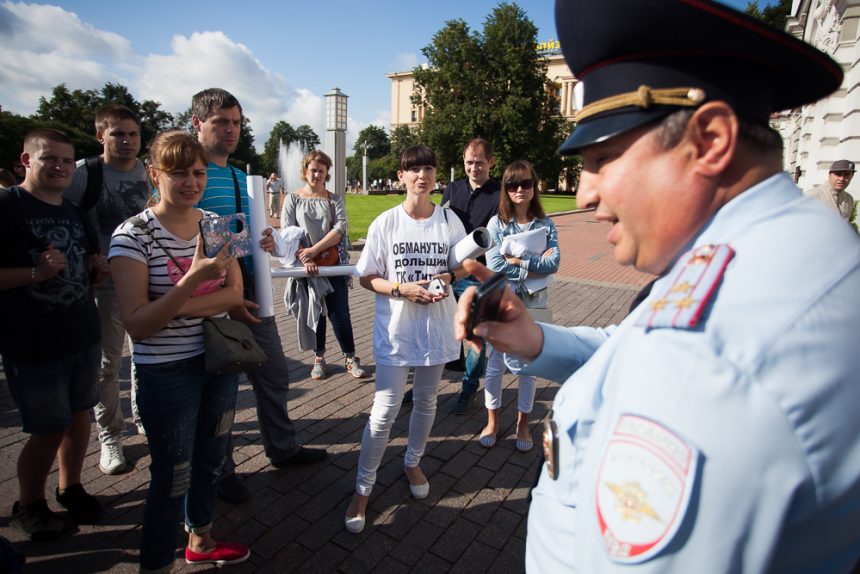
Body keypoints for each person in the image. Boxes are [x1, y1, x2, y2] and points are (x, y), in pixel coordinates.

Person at [454, 0, 860, 571]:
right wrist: (538, 342)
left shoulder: (709, 366)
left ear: (711, 141)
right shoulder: (789, 247)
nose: (587, 194)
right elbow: (636, 345)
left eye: (605, 157)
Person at [109, 130, 250, 570]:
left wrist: (171, 306)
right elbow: (139, 324)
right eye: (178, 172)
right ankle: (155, 564)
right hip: (166, 371)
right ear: (154, 174)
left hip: (218, 360)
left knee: (211, 459)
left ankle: (201, 540)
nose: (191, 181)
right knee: (172, 477)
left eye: (199, 172)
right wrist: (191, 279)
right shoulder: (131, 235)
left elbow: (235, 295)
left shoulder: (217, 223)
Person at [192, 88, 326, 504]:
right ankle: (221, 470)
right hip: (211, 299)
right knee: (223, 388)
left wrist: (265, 237)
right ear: (197, 124)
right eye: (220, 122)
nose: (231, 130)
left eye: (235, 122)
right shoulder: (189, 175)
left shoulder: (237, 176)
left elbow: (243, 233)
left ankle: (282, 449)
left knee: (272, 375)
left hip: (253, 292)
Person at [344, 145, 467, 534]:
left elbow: (460, 265)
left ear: (435, 176)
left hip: (435, 327)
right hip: (397, 331)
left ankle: (413, 461)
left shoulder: (449, 219)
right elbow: (367, 277)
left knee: (427, 401)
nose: (422, 176)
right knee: (384, 412)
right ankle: (363, 488)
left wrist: (445, 279)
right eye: (414, 170)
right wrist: (401, 289)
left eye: (428, 168)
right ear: (401, 176)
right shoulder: (386, 222)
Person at [0, 128, 108, 540]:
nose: (60, 167)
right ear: (26, 161)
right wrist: (35, 273)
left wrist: (96, 272)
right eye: (50, 159)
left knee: (80, 416)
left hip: (81, 332)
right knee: (48, 426)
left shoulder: (74, 210)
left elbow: (84, 268)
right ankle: (29, 504)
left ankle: (70, 486)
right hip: (32, 343)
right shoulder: (7, 206)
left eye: (67, 160)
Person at [64, 103, 151, 475]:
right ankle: (110, 435)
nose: (127, 141)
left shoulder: (149, 172)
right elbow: (60, 216)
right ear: (101, 135)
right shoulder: (84, 174)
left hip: (149, 280)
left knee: (146, 357)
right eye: (118, 134)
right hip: (106, 285)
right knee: (108, 364)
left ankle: (144, 417)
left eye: (133, 134)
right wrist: (85, 258)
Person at [479, 160, 559, 452]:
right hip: (501, 301)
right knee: (496, 366)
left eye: (526, 183)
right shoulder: (496, 224)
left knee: (528, 366)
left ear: (534, 186)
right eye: (512, 185)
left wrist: (520, 259)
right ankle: (493, 420)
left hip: (535, 304)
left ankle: (522, 423)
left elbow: (555, 263)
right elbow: (496, 266)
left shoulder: (545, 223)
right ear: (505, 189)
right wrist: (533, 264)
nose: (519, 190)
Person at [281, 150, 367, 380]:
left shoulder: (334, 199)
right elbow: (287, 233)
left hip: (331, 265)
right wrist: (304, 257)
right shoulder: (293, 199)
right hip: (305, 267)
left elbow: (340, 230)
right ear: (305, 171)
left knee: (340, 315)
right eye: (313, 170)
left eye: (321, 170)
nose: (316, 174)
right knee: (315, 314)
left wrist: (314, 250)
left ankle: (350, 357)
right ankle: (319, 358)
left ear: (327, 173)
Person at [441, 138, 500, 415]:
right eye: (468, 162)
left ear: (491, 162)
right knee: (437, 330)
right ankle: (422, 388)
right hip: (448, 273)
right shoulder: (452, 189)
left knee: (475, 338)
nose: (473, 167)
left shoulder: (500, 195)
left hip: (478, 275)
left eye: (479, 162)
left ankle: (468, 389)